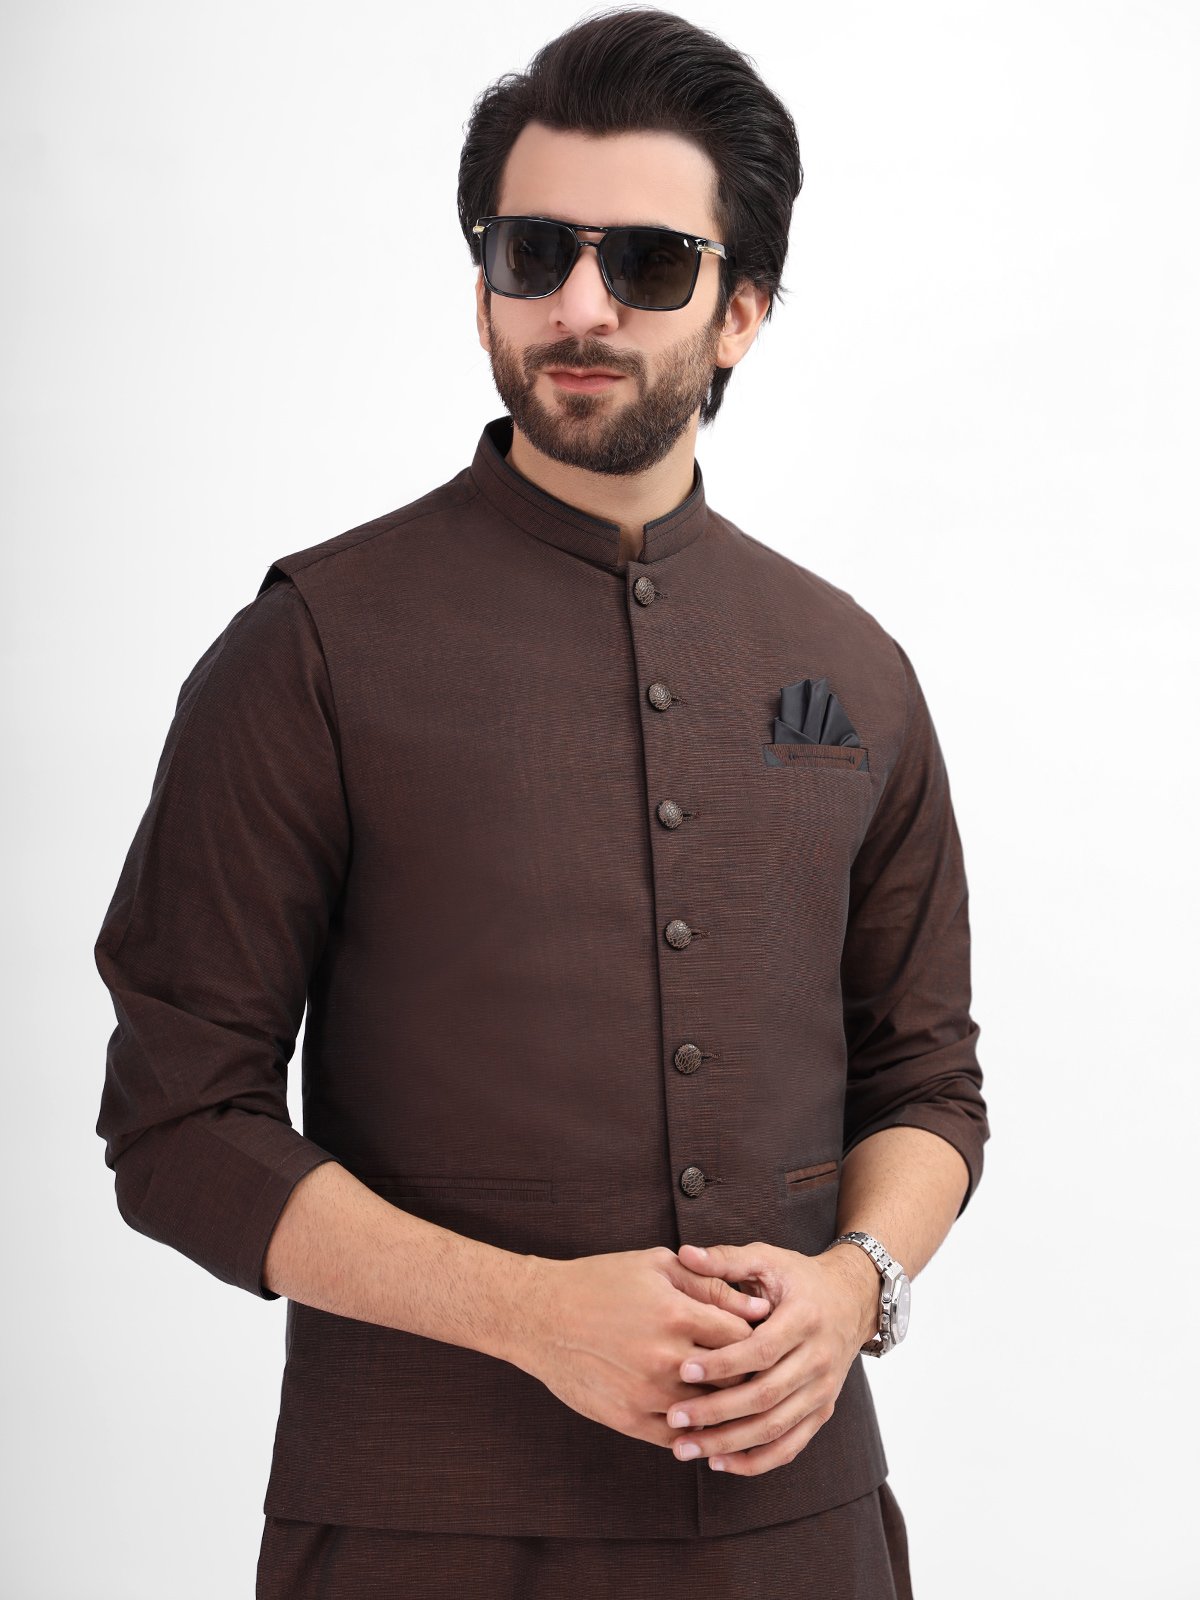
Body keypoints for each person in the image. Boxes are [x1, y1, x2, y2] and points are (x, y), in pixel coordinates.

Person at [94, 9, 989, 1597]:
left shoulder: (852, 663)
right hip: (418, 1538)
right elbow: (177, 1126)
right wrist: (528, 1314)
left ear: (742, 311)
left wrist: (858, 1289)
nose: (581, 305)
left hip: (802, 1539)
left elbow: (927, 1082)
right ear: (484, 287)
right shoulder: (312, 647)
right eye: (533, 253)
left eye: (648, 262)